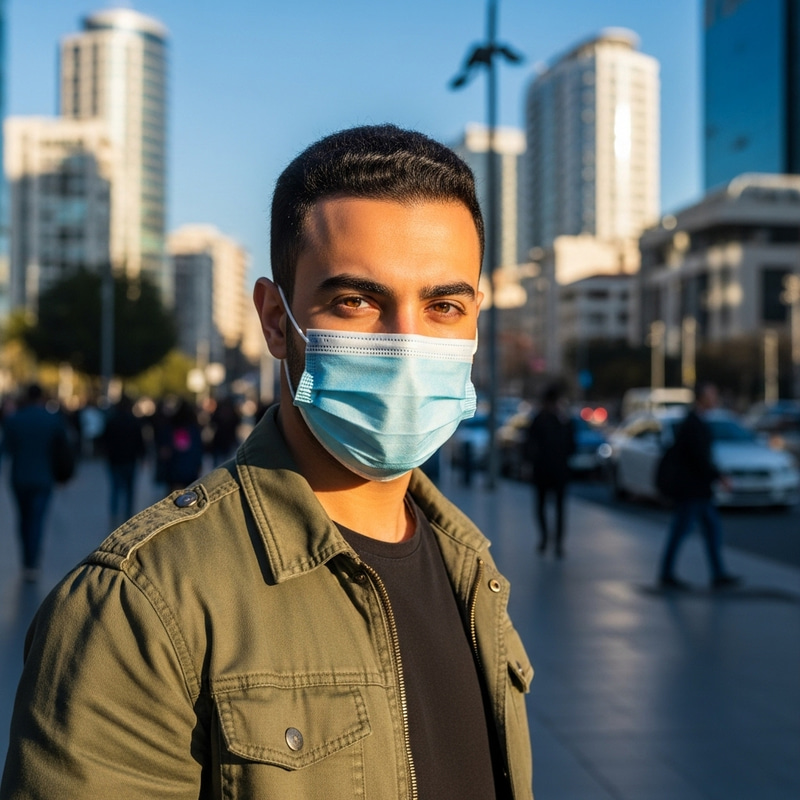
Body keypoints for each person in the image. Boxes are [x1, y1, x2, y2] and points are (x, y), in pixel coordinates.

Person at [1, 124, 534, 799]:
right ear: (276, 322)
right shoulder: (139, 609)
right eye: (356, 301)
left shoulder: (473, 572)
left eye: (443, 306)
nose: (407, 342)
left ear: (475, 320)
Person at [658, 381, 742, 590]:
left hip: (698, 490)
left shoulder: (697, 421)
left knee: (708, 529)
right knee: (683, 530)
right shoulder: (693, 423)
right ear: (702, 397)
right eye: (712, 395)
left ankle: (717, 573)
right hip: (692, 490)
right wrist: (720, 477)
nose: (715, 399)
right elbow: (699, 458)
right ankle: (668, 574)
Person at [0, 384, 72, 582]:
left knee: (23, 519)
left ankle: (26, 560)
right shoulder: (52, 420)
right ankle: (33, 563)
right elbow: (63, 449)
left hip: (19, 477)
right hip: (43, 477)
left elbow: (6, 449)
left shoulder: (14, 420)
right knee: (37, 519)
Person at [523, 384, 576, 558]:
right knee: (555, 507)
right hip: (554, 470)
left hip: (546, 470)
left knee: (545, 506)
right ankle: (553, 541)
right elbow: (571, 446)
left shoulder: (543, 419)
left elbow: (529, 445)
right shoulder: (561, 420)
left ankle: (549, 540)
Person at [103, 394, 146, 526]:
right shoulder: (134, 421)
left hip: (115, 460)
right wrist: (142, 456)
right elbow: (140, 442)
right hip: (130, 460)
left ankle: (114, 516)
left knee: (116, 489)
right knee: (129, 490)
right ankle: (128, 516)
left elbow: (105, 441)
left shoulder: (112, 420)